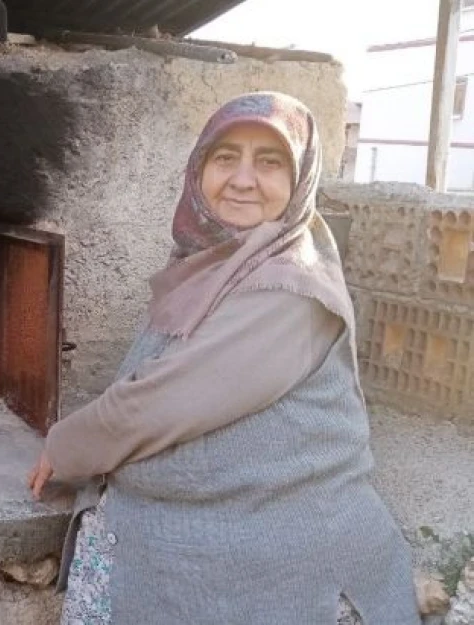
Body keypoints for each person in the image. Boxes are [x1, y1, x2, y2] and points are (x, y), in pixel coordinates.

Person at [27, 92, 418, 624]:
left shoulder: (291, 288)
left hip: (279, 561)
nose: (242, 179)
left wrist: (67, 445)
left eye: (270, 161)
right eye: (225, 156)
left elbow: (162, 402)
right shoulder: (215, 262)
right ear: (199, 169)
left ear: (299, 177)